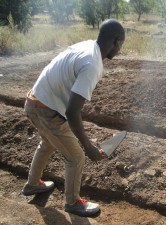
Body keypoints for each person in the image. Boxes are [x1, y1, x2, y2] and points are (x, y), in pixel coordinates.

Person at [22, 19, 125, 217]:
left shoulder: (87, 46)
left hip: (34, 101)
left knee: (48, 142)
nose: (120, 49)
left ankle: (33, 184)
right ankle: (73, 202)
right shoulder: (93, 64)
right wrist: (87, 145)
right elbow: (72, 111)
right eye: (121, 44)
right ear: (116, 42)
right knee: (76, 156)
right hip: (45, 109)